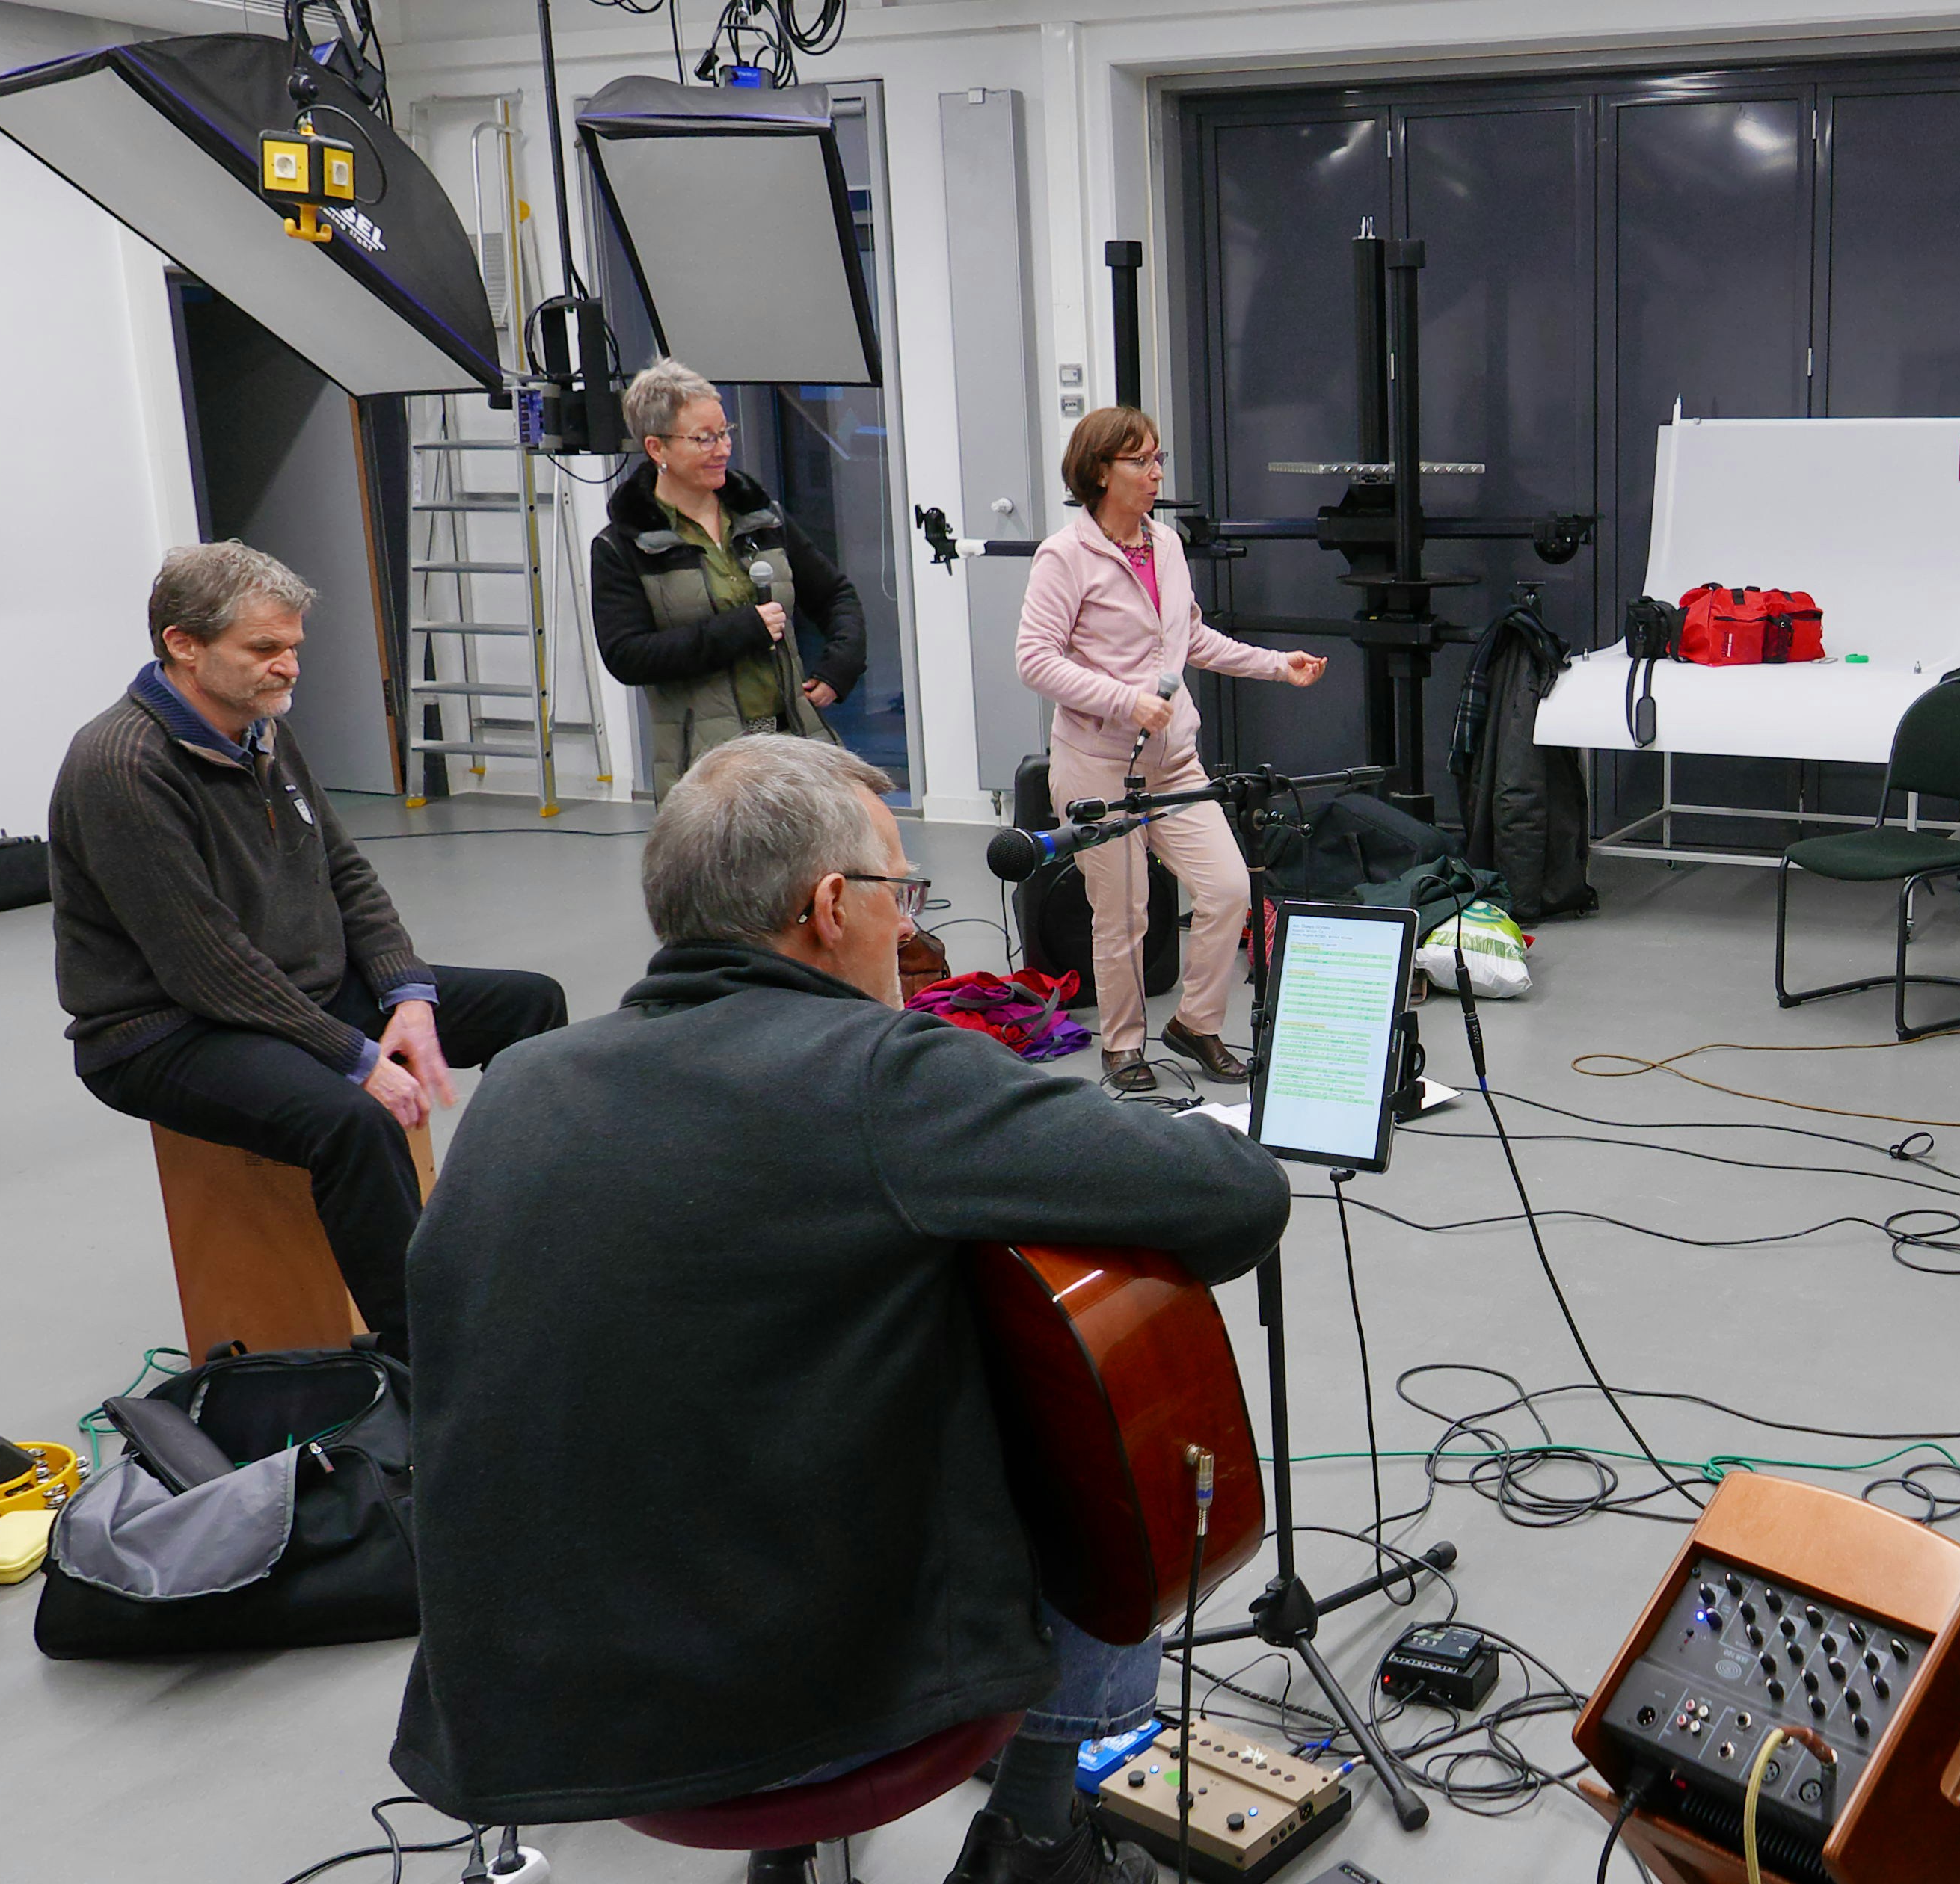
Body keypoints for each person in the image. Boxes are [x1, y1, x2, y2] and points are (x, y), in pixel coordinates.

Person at [387, 736, 1291, 1884]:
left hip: (543, 1712)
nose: (911, 929)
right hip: (802, 1715)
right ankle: (1036, 1836)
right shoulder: (881, 1074)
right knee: (1095, 1439)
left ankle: (794, 1854)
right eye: (898, 894)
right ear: (827, 906)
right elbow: (1238, 1199)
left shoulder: (522, 1083)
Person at [52, 541, 568, 1360]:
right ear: (183, 644)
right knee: (350, 1123)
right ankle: (434, 1356)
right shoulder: (121, 765)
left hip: (292, 997)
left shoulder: (260, 729)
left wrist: (408, 996)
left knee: (530, 1003)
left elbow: (346, 874)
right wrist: (355, 1055)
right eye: (265, 649)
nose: (289, 667)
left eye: (293, 646)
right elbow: (205, 964)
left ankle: (526, 1242)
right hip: (164, 1032)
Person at [1016, 405, 1326, 1094]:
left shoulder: (1168, 545)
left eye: (1159, 459)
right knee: (1122, 912)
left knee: (1227, 887)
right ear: (1101, 471)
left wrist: (1279, 665)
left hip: (1174, 761)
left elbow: (1192, 639)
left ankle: (1196, 1023)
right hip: (1097, 764)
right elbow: (1034, 660)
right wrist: (1124, 700)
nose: (1158, 473)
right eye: (1142, 461)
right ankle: (1123, 1046)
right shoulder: (1065, 557)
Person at [592, 356, 868, 798]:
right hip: (706, 769)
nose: (722, 450)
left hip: (795, 745)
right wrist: (740, 630)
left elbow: (836, 595)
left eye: (725, 433)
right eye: (704, 439)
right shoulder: (622, 546)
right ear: (656, 448)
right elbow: (626, 655)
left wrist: (840, 666)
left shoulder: (763, 519)